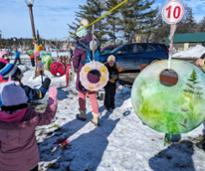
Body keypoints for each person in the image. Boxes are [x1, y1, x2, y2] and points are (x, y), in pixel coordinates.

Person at [0, 82, 58, 171]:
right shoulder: (31, 117)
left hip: (6, 166)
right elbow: (48, 117)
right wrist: (52, 98)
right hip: (30, 163)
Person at [73, 20, 100, 126]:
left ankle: (83, 114)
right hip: (94, 71)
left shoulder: (80, 44)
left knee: (81, 93)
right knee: (92, 95)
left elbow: (75, 58)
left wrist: (75, 67)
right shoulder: (95, 41)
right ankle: (96, 117)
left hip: (83, 72)